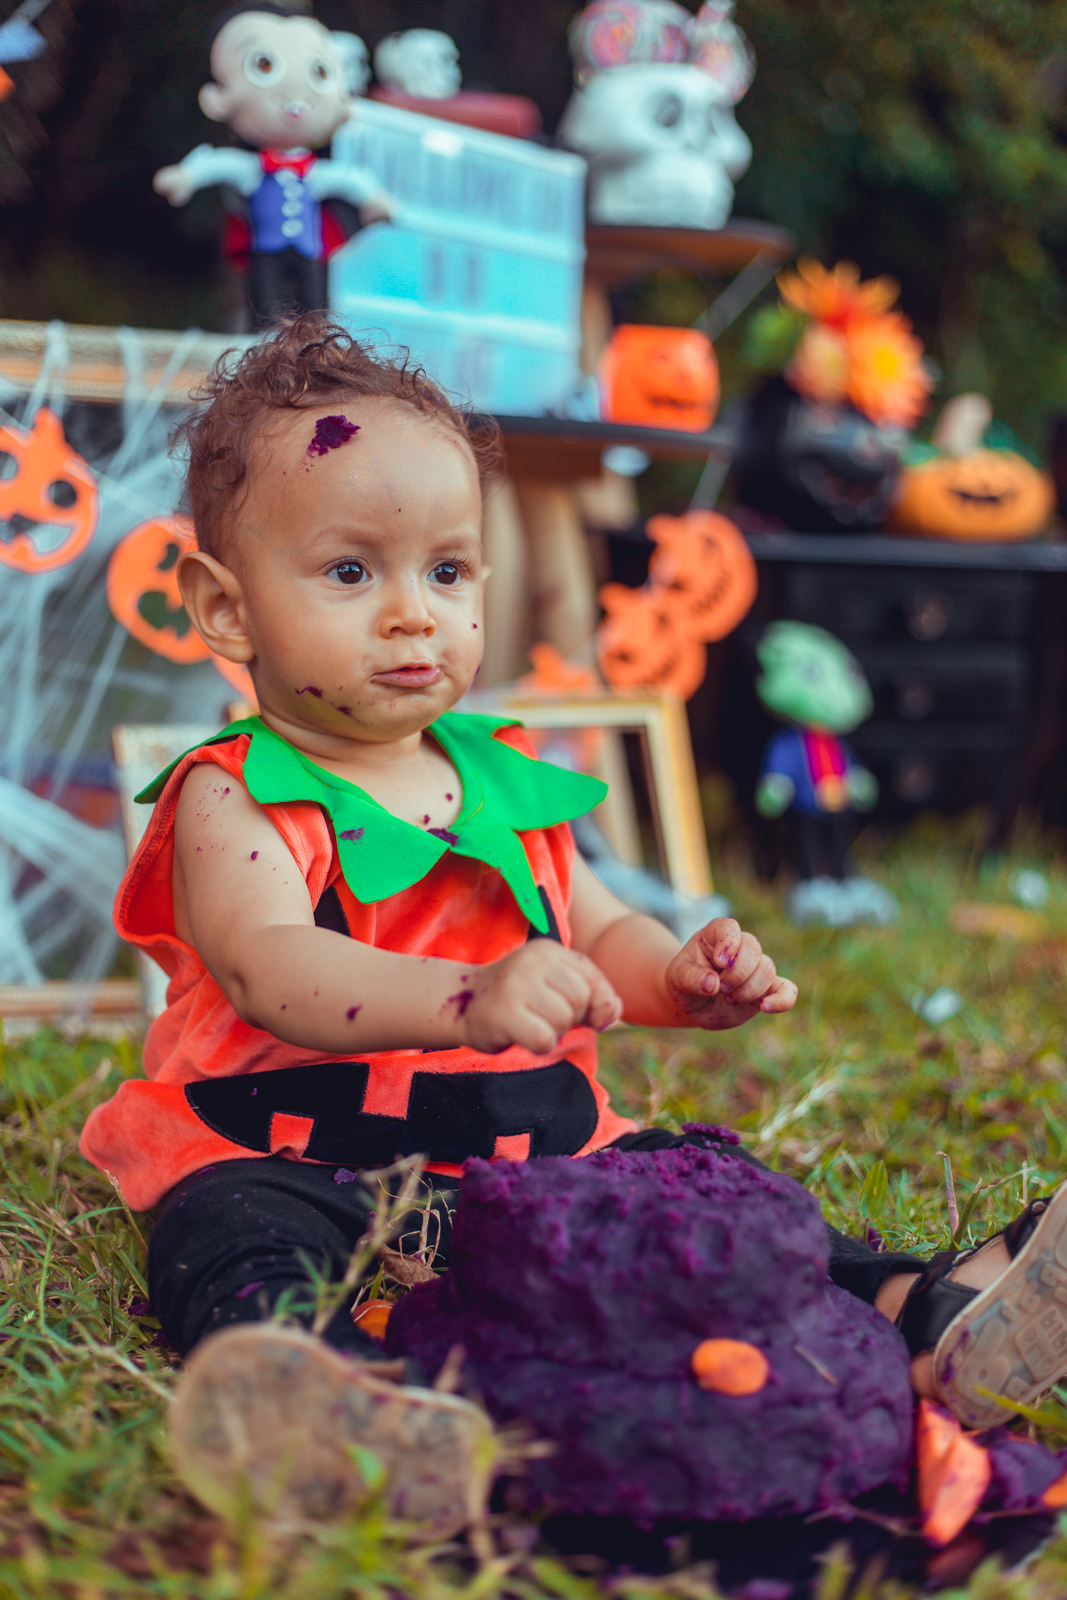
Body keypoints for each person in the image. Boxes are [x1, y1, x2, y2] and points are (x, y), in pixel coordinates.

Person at [81, 314, 1067, 1536]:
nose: (411, 615)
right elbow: (270, 966)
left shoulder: (507, 773)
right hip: (295, 1150)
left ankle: (925, 1303)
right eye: (350, 571)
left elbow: (597, 935)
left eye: (445, 572)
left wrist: (679, 973)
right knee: (226, 1231)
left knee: (705, 1190)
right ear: (223, 610)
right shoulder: (240, 789)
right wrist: (464, 997)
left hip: (527, 1157)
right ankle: (332, 1394)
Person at [153, 5, 392, 325]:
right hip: (265, 249)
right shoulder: (253, 169)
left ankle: (315, 335)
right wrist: (186, 175)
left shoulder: (314, 172)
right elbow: (218, 164)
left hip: (309, 249)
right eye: (263, 65)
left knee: (314, 299)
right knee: (264, 300)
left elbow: (348, 179)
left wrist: (374, 199)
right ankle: (263, 336)